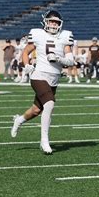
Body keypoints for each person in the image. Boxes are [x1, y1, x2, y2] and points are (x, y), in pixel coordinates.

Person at [10, 10, 74, 154]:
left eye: (56, 22)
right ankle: (44, 141)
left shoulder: (65, 37)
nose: (53, 24)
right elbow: (25, 52)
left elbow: (71, 61)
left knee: (36, 110)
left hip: (54, 78)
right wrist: (26, 65)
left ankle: (19, 120)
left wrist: (59, 59)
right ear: (45, 22)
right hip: (38, 75)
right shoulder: (38, 34)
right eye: (51, 21)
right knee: (49, 104)